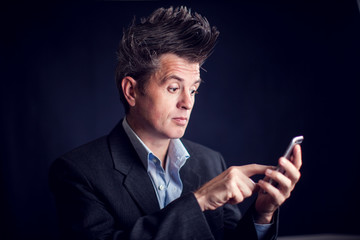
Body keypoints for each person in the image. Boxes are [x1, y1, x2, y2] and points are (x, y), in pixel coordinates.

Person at [49, 6, 302, 240]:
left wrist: (262, 213)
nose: (187, 103)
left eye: (193, 90)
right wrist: (199, 200)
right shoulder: (78, 172)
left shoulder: (211, 162)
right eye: (173, 88)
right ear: (131, 91)